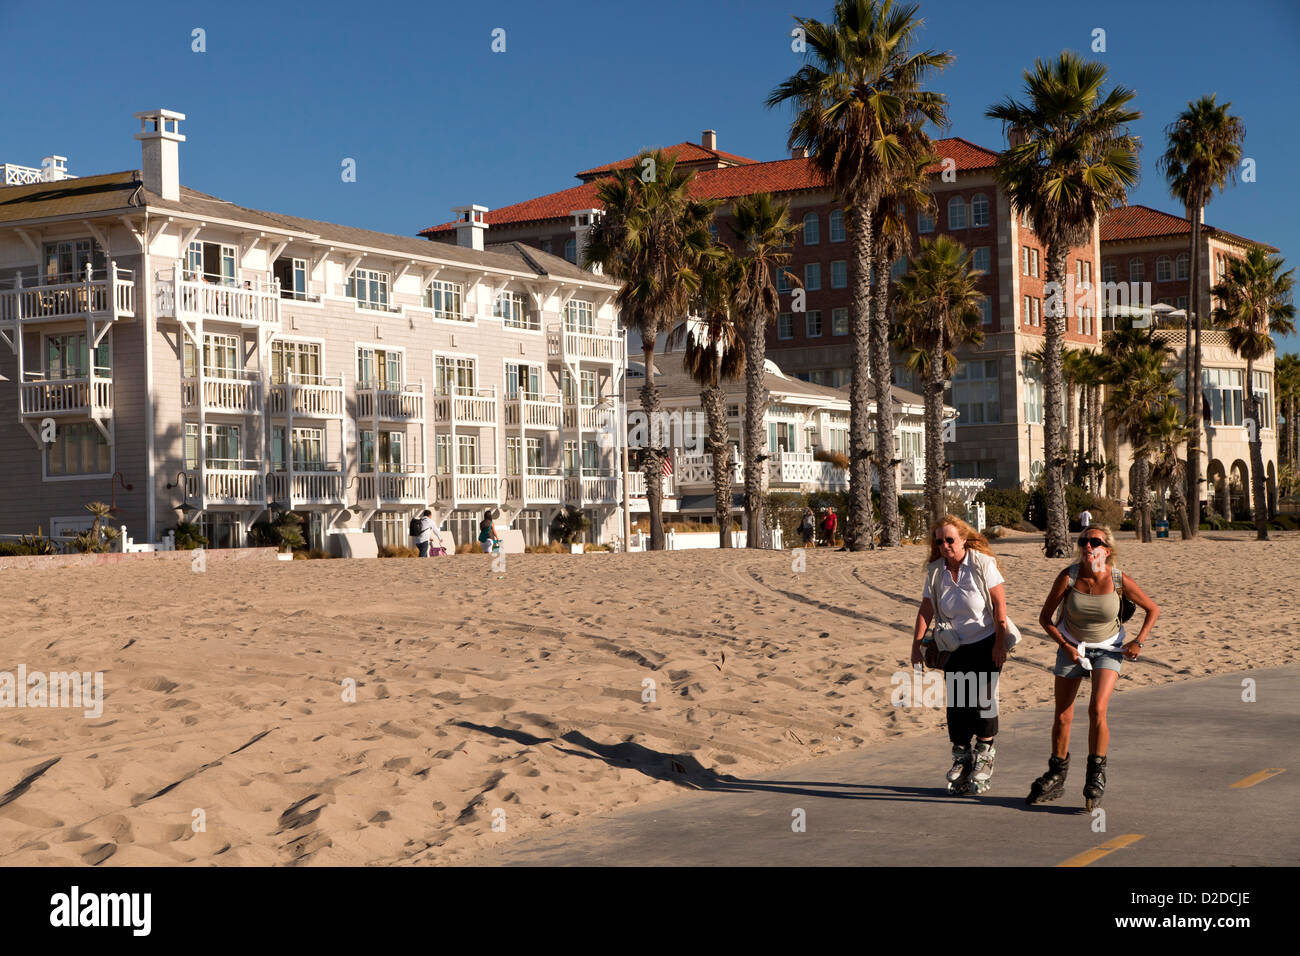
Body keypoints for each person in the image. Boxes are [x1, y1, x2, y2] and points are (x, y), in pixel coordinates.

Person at [1028, 525, 1159, 809]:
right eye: (1084, 540)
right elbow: (1045, 619)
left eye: (1095, 541)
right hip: (1072, 647)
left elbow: (1153, 609)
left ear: (1106, 550)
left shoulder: (1118, 579)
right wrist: (1065, 646)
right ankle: (1056, 774)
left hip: (1109, 650)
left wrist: (1139, 641)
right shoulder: (1068, 577)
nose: (1088, 545)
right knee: (1063, 716)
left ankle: (1095, 775)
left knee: (1097, 709)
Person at [910, 515, 1011, 795]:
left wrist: (1000, 643)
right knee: (958, 704)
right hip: (954, 646)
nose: (944, 545)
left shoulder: (981, 564)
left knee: (983, 698)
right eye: (939, 541)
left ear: (963, 539)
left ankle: (985, 752)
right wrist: (916, 646)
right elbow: (926, 610)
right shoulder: (935, 572)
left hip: (987, 641)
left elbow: (999, 603)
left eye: (950, 540)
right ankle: (962, 756)